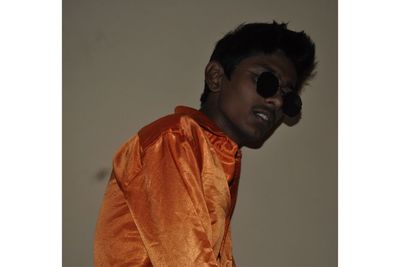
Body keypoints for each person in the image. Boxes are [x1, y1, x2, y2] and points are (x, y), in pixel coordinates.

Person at [94, 21, 316, 266]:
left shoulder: (218, 156)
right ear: (216, 77)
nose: (276, 101)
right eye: (266, 82)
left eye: (287, 96)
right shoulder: (173, 140)